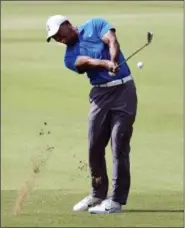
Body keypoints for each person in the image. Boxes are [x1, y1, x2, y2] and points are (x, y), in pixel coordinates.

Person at [46, 15, 137, 214]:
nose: (58, 40)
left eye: (58, 34)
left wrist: (113, 60)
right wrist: (106, 65)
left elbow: (112, 40)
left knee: (119, 145)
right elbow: (86, 62)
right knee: (94, 145)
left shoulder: (95, 25)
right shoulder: (69, 57)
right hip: (100, 95)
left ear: (67, 24)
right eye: (54, 38)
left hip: (124, 92)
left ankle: (116, 200)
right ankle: (97, 194)